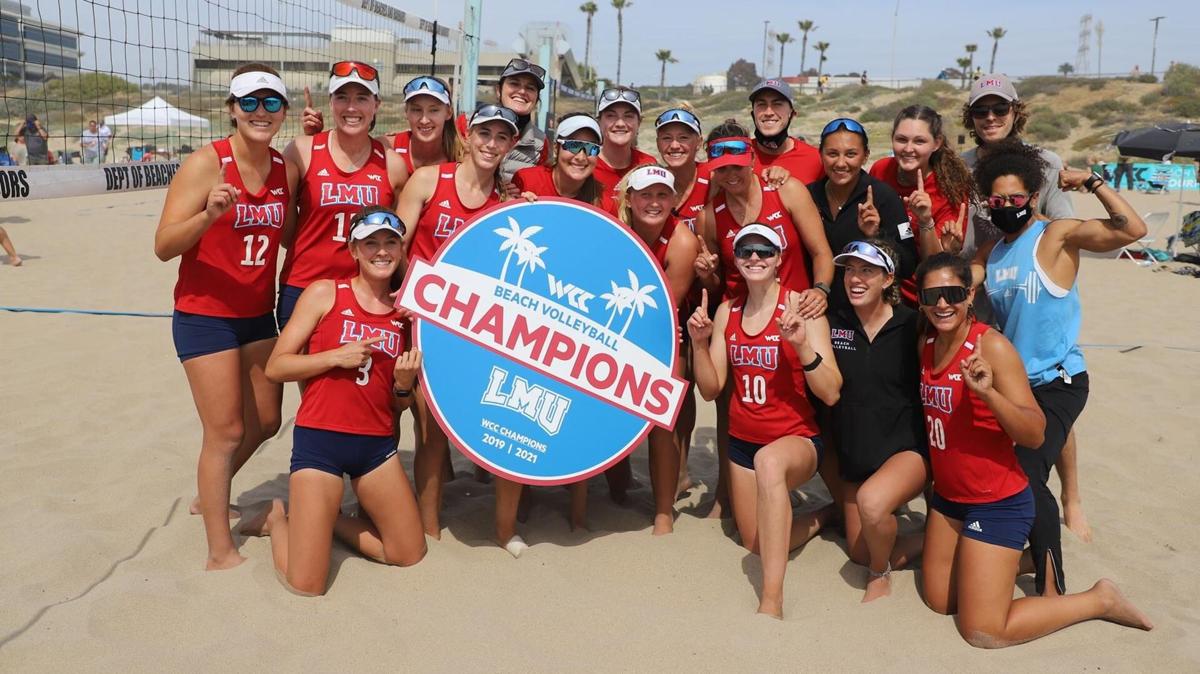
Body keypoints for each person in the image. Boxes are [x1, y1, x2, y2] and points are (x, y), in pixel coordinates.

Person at [917, 252, 1152, 647]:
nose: (943, 303)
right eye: (932, 294)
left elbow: (1035, 433)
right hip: (949, 499)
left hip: (997, 501)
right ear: (921, 301)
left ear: (970, 295)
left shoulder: (992, 348)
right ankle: (1020, 559)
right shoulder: (926, 344)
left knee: (984, 631)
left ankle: (1098, 598)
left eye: (952, 293)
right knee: (940, 601)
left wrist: (989, 394)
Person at [969, 140, 1148, 597]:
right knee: (1004, 469)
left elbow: (1133, 230)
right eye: (997, 200)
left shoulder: (1055, 235)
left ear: (1031, 198)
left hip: (1060, 380)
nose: (1006, 207)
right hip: (1016, 387)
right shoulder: (992, 253)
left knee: (1027, 474)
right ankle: (1025, 547)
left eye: (1015, 199)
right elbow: (956, 288)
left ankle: (1052, 585)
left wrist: (1091, 181)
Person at [153, 64, 297, 570]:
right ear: (232, 109)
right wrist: (208, 215)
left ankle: (208, 494)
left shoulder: (284, 168)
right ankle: (220, 549)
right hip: (205, 316)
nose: (261, 112)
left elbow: (297, 234)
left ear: (284, 112)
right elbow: (163, 246)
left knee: (267, 420)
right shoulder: (205, 164)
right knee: (226, 431)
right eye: (250, 103)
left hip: (258, 314)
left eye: (271, 103)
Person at [243, 207, 427, 595]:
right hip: (321, 443)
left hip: (376, 447)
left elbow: (398, 406)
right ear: (354, 250)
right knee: (307, 584)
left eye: (390, 242)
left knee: (409, 553)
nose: (381, 251)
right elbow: (277, 366)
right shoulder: (326, 292)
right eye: (370, 243)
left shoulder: (407, 315)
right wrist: (334, 357)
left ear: (400, 249)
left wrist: (403, 385)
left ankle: (319, 519)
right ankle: (278, 518)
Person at [960, 72, 1091, 544]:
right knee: (1004, 404)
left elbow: (1065, 228)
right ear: (971, 118)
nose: (991, 118)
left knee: (1045, 397)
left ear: (1017, 112)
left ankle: (1072, 497)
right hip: (984, 286)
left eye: (1000, 109)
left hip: (1030, 290)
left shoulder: (1046, 163)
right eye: (981, 110)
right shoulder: (962, 165)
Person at [689, 224, 841, 619]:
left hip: (796, 441)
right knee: (755, 542)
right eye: (745, 252)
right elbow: (710, 389)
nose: (754, 258)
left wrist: (801, 345)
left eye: (764, 251)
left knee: (770, 463)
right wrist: (700, 345)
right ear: (736, 261)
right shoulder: (727, 311)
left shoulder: (801, 309)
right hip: (743, 443)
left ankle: (771, 600)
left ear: (779, 260)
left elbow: (831, 392)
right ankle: (828, 513)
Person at [694, 120, 834, 518]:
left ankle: (838, 500)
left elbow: (821, 252)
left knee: (819, 408)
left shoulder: (784, 189)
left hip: (797, 315)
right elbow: (727, 277)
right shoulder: (711, 213)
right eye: (722, 168)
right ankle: (731, 490)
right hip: (747, 320)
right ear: (712, 168)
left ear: (753, 158)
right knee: (739, 408)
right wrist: (709, 275)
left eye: (738, 165)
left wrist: (820, 292)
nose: (731, 174)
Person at [395, 104, 515, 542]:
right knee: (428, 433)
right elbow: (395, 246)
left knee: (465, 419)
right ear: (467, 136)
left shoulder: (505, 203)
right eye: (485, 134)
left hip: (473, 328)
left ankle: (495, 521)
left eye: (501, 137)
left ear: (511, 146)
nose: (491, 144)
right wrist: (411, 291)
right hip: (423, 321)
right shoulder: (429, 180)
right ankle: (428, 525)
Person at [826, 239, 927, 602]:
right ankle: (933, 542)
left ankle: (880, 573)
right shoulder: (833, 322)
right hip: (856, 457)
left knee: (872, 505)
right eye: (849, 270)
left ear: (887, 279)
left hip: (906, 450)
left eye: (866, 270)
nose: (854, 278)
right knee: (859, 551)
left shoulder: (913, 325)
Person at [276, 60, 409, 329]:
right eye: (342, 97)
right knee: (302, 370)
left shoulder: (392, 164)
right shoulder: (301, 151)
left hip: (366, 295)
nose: (351, 107)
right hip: (303, 287)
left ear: (376, 105)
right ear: (331, 102)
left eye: (361, 98)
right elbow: (287, 235)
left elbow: (401, 238)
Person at [808, 118, 917, 313]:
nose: (841, 163)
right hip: (815, 311)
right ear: (820, 154)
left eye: (851, 154)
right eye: (832, 154)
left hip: (867, 318)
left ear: (865, 156)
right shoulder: (808, 196)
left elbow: (909, 264)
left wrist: (876, 235)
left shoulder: (884, 197)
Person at [868, 105, 973, 302]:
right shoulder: (881, 170)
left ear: (936, 143)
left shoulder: (950, 186)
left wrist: (925, 220)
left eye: (919, 141)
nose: (908, 149)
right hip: (882, 294)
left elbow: (934, 263)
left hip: (926, 299)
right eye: (901, 140)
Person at [512, 112, 604, 207]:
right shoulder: (526, 181)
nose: (581, 157)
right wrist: (523, 208)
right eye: (573, 145)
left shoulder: (605, 203)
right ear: (556, 148)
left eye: (592, 147)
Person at [747, 79, 823, 185]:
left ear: (792, 114)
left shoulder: (816, 159)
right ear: (753, 113)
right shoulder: (739, 154)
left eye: (777, 104)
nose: (769, 112)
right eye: (761, 104)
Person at [593, 86, 657, 196]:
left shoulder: (648, 165)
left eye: (628, 116)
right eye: (611, 116)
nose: (620, 124)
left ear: (639, 123)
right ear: (599, 121)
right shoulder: (586, 165)